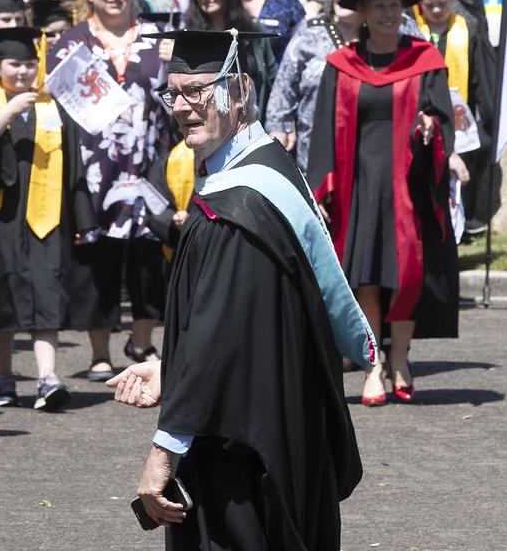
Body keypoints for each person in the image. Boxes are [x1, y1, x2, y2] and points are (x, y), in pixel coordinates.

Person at [108, 28, 371, 549]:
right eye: (174, 92)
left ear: (242, 89)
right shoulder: (256, 172)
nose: (183, 105)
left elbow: (217, 339)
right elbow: (242, 323)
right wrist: (171, 367)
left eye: (199, 89)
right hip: (265, 419)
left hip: (246, 452)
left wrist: (162, 456)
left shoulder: (242, 205)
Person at [308, 0, 461, 406]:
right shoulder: (342, 65)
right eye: (380, 7)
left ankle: (401, 358)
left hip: (409, 180)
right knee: (367, 276)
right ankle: (373, 364)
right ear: (364, 14)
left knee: (407, 274)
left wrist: (431, 127)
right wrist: (323, 187)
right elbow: (323, 129)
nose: (390, 14)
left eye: (395, 6)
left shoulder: (425, 58)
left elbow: (440, 114)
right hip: (359, 181)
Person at [0, 26, 93, 409]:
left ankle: (47, 378)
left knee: (46, 292)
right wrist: (4, 115)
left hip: (46, 217)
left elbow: (74, 166)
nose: (23, 72)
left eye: (30, 64)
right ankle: (4, 379)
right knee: (1, 298)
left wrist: (81, 218)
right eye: (14, 64)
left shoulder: (53, 105)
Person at [49, 0, 169, 380]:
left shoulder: (159, 38)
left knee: (149, 261)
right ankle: (99, 352)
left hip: (150, 164)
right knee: (95, 263)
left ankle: (142, 341)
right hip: (93, 170)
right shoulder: (69, 43)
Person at [266, 0, 378, 171]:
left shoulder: (386, 31)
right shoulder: (311, 31)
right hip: (316, 149)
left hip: (371, 148)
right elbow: (284, 85)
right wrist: (279, 126)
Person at [412, 0, 496, 232]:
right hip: (423, 114)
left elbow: (481, 76)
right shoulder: (413, 33)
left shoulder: (467, 28)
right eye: (430, 5)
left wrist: (488, 109)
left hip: (461, 114)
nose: (437, 10)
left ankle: (461, 222)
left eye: (442, 3)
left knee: (470, 159)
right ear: (421, 5)